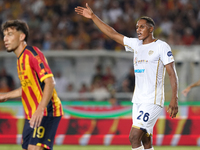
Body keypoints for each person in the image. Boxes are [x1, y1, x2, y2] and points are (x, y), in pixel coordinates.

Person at [75, 4, 178, 150]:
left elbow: (172, 73)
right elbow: (112, 34)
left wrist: (174, 98)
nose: (138, 29)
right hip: (137, 100)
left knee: (134, 137)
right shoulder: (136, 44)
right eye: (137, 27)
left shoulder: (161, 46)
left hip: (152, 100)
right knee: (146, 140)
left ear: (151, 29)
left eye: (142, 26)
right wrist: (93, 17)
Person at [0, 20, 63, 150]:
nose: (5, 39)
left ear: (22, 36)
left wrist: (40, 109)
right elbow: (28, 87)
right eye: (4, 35)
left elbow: (50, 82)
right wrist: (5, 96)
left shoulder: (32, 53)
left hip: (46, 111)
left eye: (10, 34)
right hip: (32, 115)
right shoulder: (20, 60)